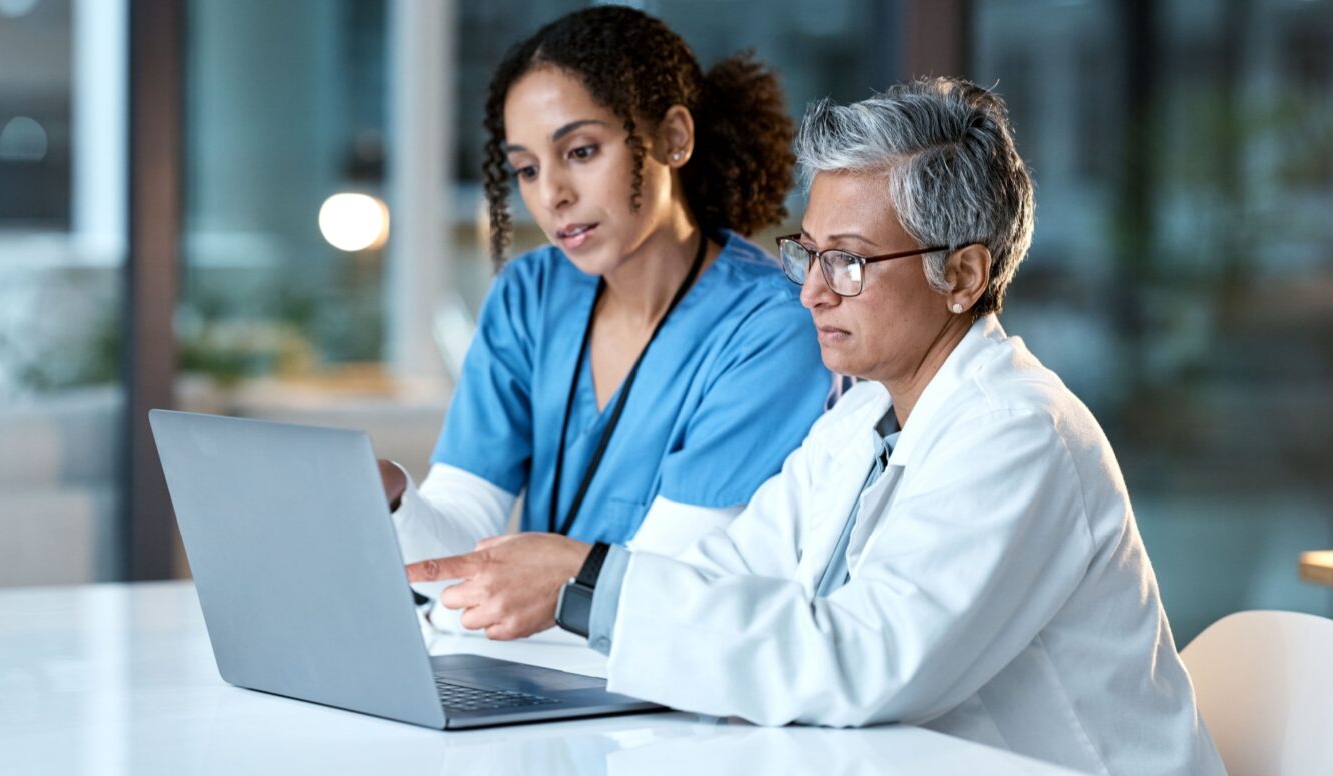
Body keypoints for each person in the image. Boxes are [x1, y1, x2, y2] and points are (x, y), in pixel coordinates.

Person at [407, 78, 1226, 775]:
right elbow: (731, 574)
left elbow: (865, 661)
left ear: (964, 274)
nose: (813, 292)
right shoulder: (864, 418)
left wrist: (584, 581)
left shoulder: (1020, 433)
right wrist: (572, 588)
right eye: (809, 252)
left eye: (851, 261)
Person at [381, 6, 831, 629]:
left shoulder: (771, 326)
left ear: (673, 138)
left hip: (657, 684)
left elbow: (671, 579)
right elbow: (456, 541)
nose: (552, 195)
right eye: (528, 169)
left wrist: (533, 584)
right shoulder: (529, 295)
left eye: (582, 151)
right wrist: (392, 498)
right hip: (528, 668)